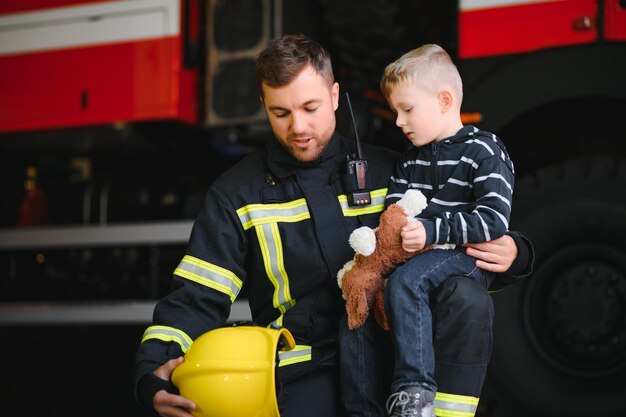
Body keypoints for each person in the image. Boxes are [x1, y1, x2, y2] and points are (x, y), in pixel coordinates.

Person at [133, 34, 533, 417]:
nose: (298, 127)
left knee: (469, 298)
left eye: (310, 108)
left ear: (335, 96)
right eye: (280, 113)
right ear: (263, 105)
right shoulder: (237, 193)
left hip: (393, 361)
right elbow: (197, 295)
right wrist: (153, 371)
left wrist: (515, 253)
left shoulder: (391, 169)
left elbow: (448, 235)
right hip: (302, 373)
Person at [339, 44, 521, 417]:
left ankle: (414, 391)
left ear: (444, 99)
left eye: (407, 109)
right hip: (422, 255)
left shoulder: (485, 151)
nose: (399, 122)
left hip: (464, 256)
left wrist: (431, 231)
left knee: (407, 283)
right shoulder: (411, 160)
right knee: (376, 289)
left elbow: (493, 220)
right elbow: (395, 210)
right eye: (395, 112)